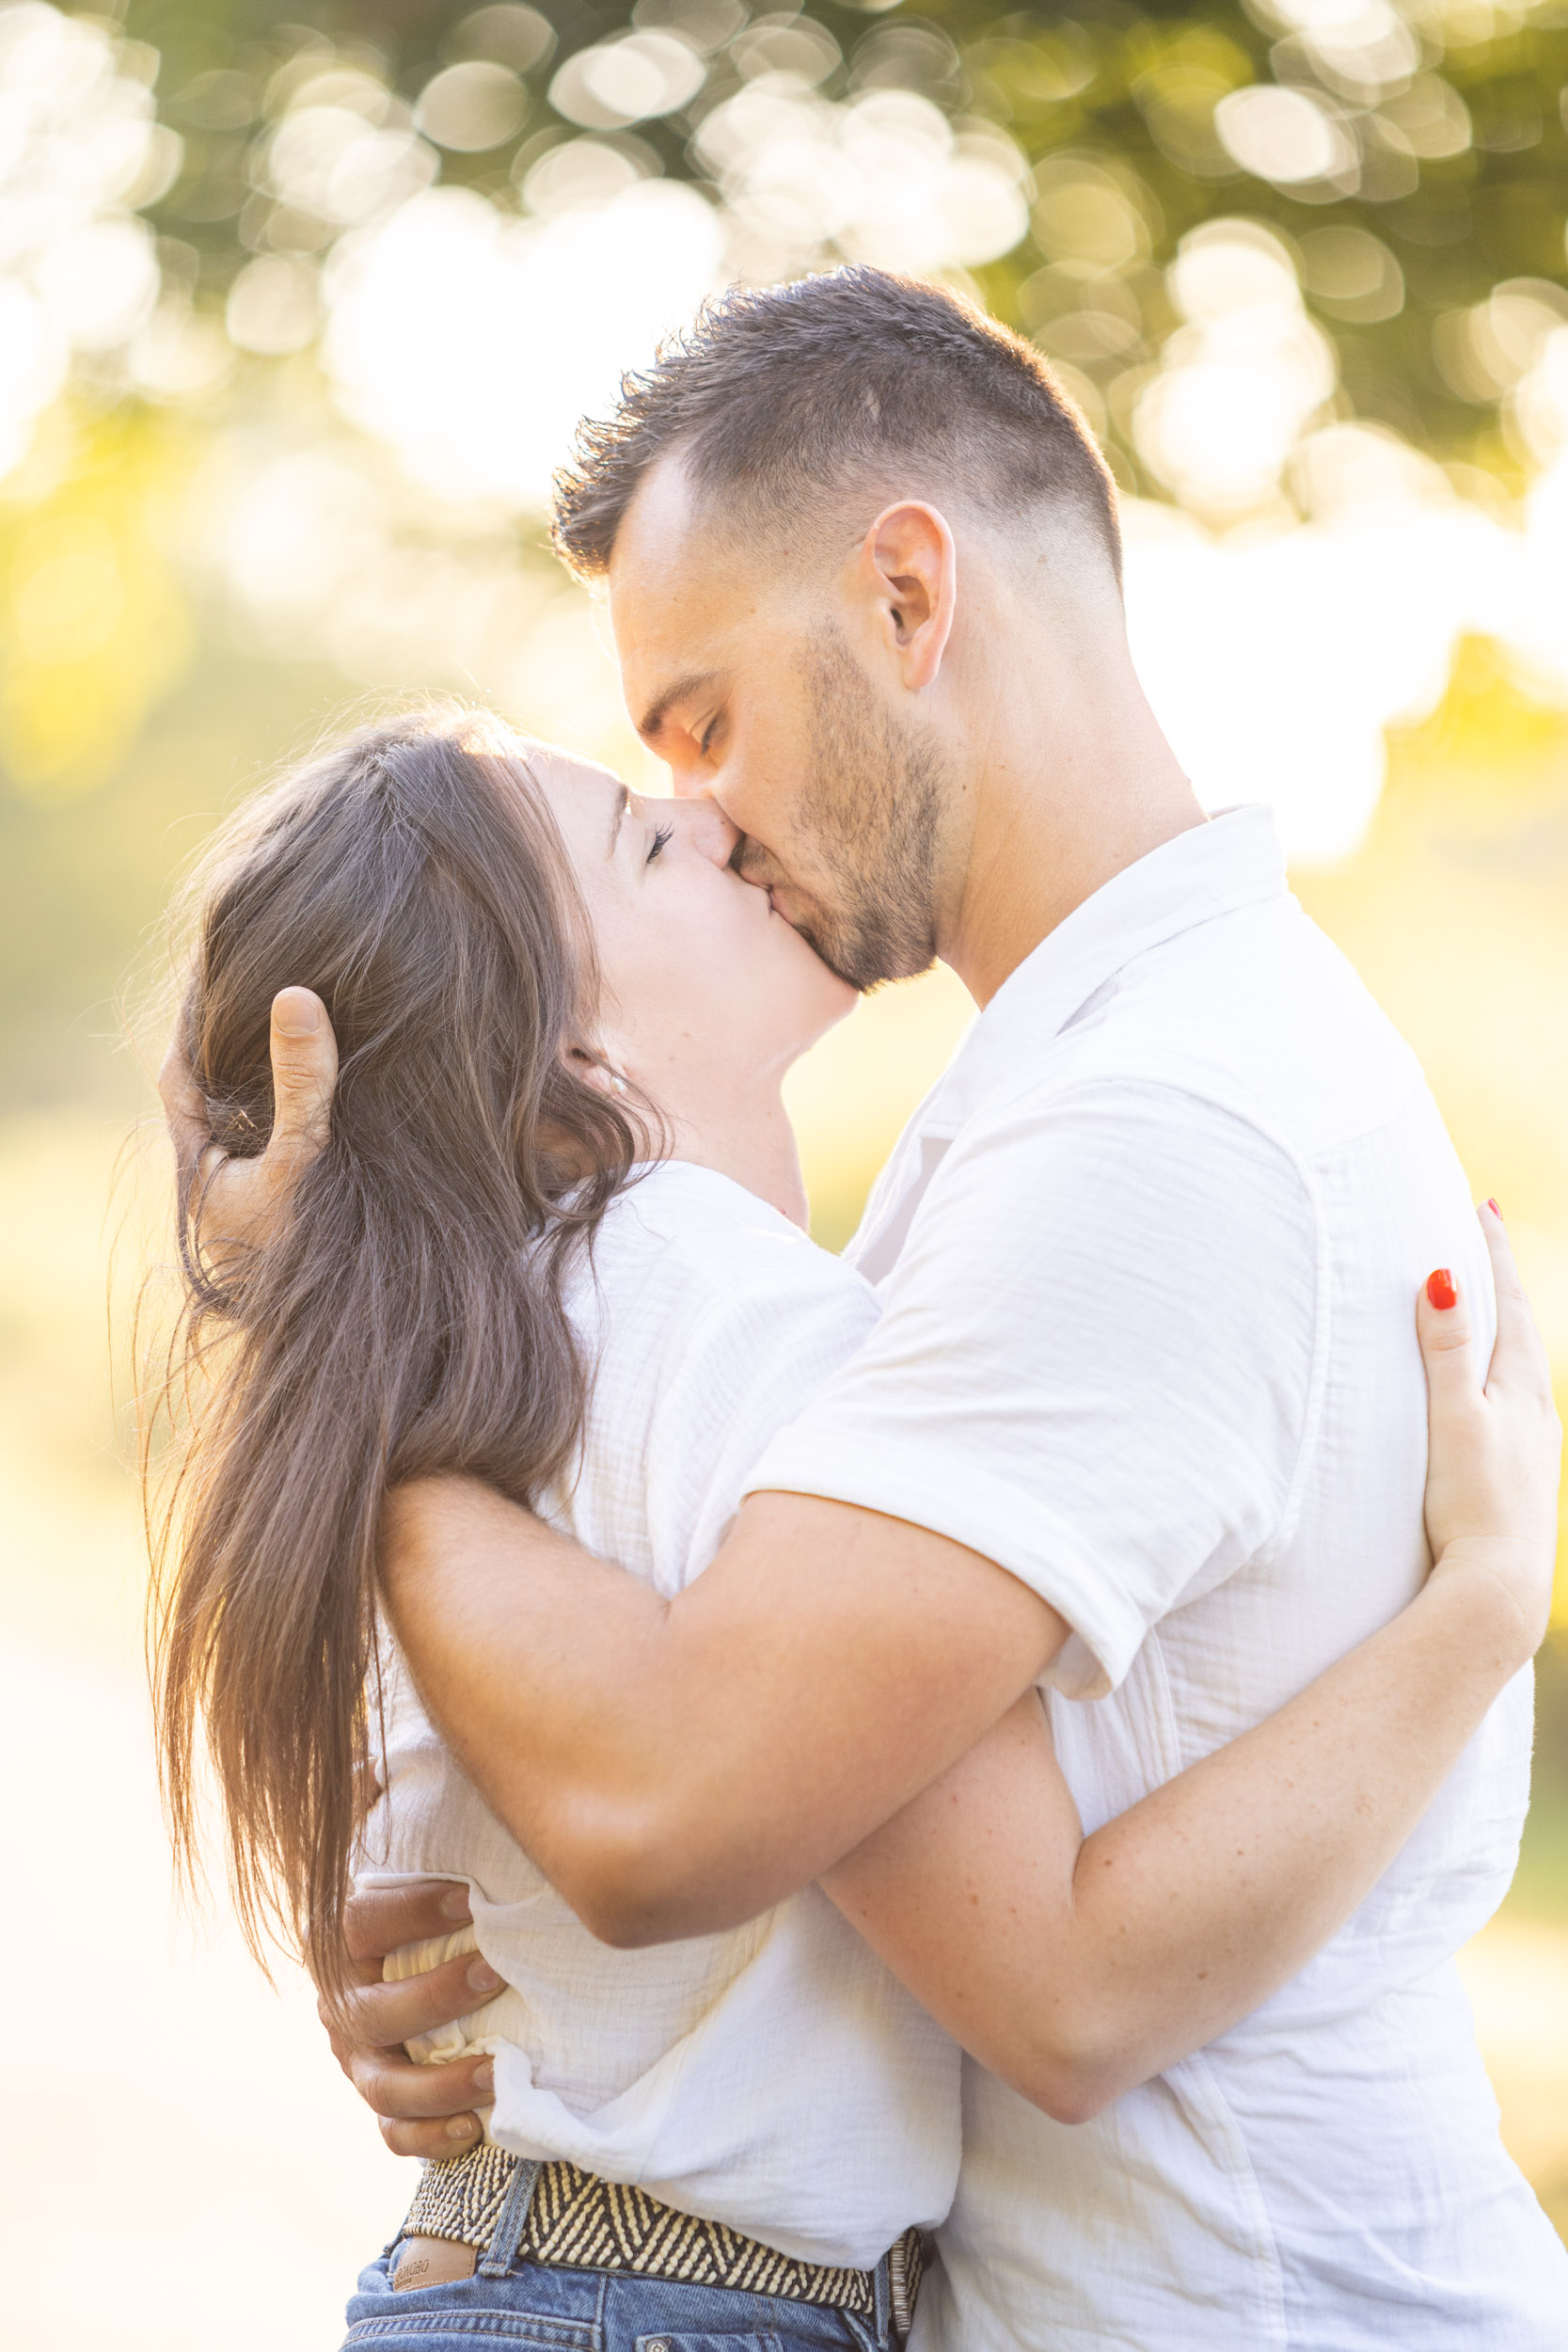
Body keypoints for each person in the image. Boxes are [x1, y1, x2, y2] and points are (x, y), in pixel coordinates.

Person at [165, 269, 1568, 2351]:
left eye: (705, 720)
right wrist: (543, 2028)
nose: (708, 821)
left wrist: (340, 1352)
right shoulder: (1052, 1093)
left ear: (910, 598)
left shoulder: (1147, 1132)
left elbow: (705, 1808)